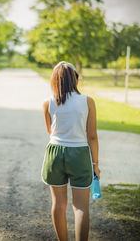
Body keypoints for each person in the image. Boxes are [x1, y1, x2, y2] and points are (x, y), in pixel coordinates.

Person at [41, 61, 100, 241]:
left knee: (58, 204)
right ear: (75, 79)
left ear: (54, 81)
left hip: (55, 154)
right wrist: (95, 165)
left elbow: (50, 131)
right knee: (81, 206)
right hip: (79, 154)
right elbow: (92, 137)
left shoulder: (47, 103)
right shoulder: (87, 101)